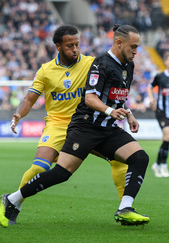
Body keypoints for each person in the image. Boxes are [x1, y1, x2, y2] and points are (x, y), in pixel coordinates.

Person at [0, 24, 150, 227]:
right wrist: (19, 114)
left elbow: (117, 94)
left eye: (77, 45)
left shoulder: (94, 63)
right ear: (58, 47)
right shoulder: (47, 70)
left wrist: (128, 114)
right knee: (46, 168)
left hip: (100, 125)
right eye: (70, 46)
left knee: (135, 158)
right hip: (67, 124)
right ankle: (13, 201)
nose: (75, 49)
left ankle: (125, 208)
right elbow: (30, 99)